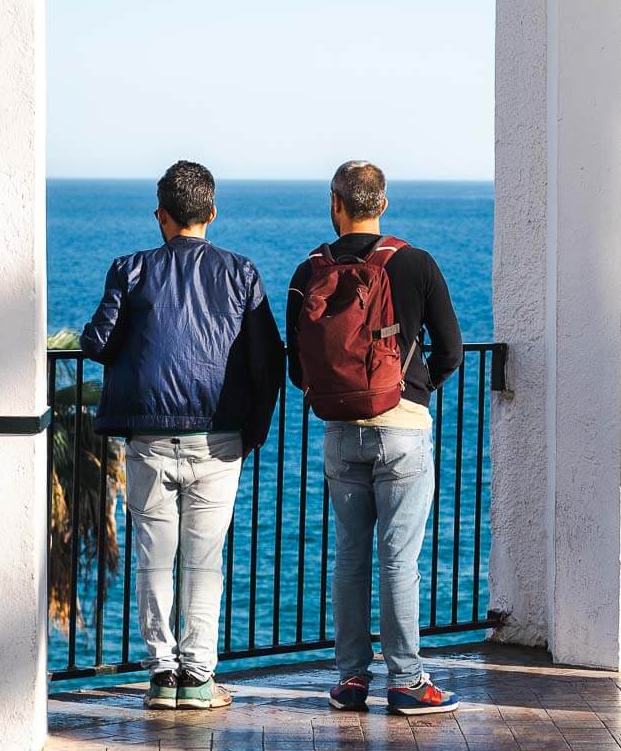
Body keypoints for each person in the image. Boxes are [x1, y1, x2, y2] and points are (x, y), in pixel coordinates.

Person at [81, 160, 283, 711]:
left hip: (149, 438)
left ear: (161, 216)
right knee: (204, 560)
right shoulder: (241, 273)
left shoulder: (131, 269)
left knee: (153, 556)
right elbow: (270, 360)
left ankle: (162, 674)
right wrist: (253, 431)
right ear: (211, 213)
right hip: (219, 441)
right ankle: (198, 679)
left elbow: (97, 343)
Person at [287, 160, 463, 716]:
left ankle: (351, 680)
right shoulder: (415, 262)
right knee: (398, 561)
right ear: (381, 204)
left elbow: (297, 368)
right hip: (404, 430)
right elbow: (452, 350)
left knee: (349, 558)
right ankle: (407, 681)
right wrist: (416, 388)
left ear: (335, 204)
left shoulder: (307, 270)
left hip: (340, 432)